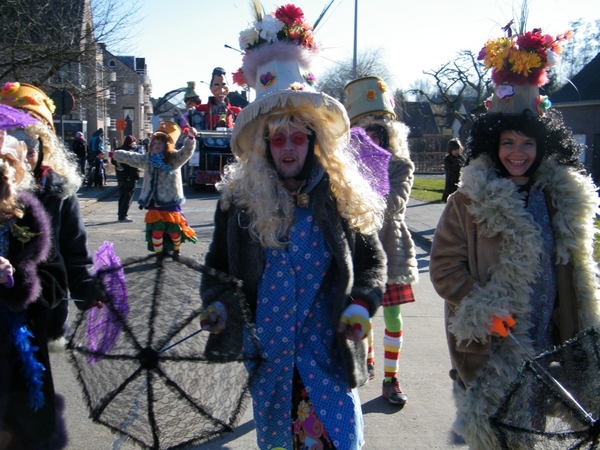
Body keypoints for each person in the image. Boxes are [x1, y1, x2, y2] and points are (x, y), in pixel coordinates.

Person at [199, 4, 387, 449]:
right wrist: (220, 307)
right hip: (270, 357)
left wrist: (361, 305)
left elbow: (371, 260)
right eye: (277, 138)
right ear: (264, 144)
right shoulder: (240, 202)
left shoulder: (340, 196)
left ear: (313, 141)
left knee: (338, 441)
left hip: (327, 352)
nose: (287, 147)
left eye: (297, 137)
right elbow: (219, 268)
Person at [429, 26, 600, 449]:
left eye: (527, 142)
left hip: (547, 348)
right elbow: (444, 269)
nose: (517, 152)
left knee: (532, 434)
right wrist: (482, 306)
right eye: (508, 142)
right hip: (494, 350)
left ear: (542, 146)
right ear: (493, 144)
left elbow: (576, 271)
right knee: (496, 437)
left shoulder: (558, 200)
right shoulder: (465, 203)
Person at [1, 82, 103, 347]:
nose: (23, 153)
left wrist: (85, 289)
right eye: (13, 139)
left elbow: (73, 250)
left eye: (31, 143)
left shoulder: (57, 192)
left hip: (42, 312)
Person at [344, 75, 419, 405]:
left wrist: (367, 184)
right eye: (365, 133)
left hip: (391, 249)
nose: (372, 138)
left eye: (378, 132)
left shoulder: (401, 165)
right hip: (360, 250)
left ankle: (392, 378)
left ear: (389, 136)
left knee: (392, 316)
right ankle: (369, 359)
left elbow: (394, 205)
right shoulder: (349, 167)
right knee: (364, 308)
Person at [0, 120, 69, 449]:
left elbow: (55, 282)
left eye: (7, 163)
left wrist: (16, 276)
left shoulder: (28, 215)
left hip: (17, 356)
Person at [112, 121, 198, 262]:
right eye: (154, 143)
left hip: (170, 201)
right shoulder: (148, 158)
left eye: (160, 143)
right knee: (156, 232)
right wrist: (115, 154)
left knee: (174, 232)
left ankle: (176, 250)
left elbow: (186, 152)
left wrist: (190, 139)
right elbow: (132, 157)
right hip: (154, 202)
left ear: (166, 145)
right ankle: (159, 255)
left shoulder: (174, 158)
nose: (157, 145)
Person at [111, 135, 140, 223]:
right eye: (134, 142)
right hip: (129, 178)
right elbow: (134, 166)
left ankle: (121, 214)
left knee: (122, 196)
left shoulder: (118, 151)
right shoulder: (130, 153)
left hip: (120, 177)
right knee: (127, 197)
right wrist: (135, 177)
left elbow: (113, 161)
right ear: (131, 143)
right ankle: (123, 216)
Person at [441, 138, 464, 203]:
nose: (456, 151)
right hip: (451, 184)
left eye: (457, 149)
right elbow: (454, 168)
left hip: (460, 184)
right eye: (454, 150)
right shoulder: (448, 159)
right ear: (451, 150)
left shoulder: (461, 157)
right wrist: (459, 162)